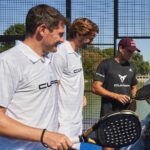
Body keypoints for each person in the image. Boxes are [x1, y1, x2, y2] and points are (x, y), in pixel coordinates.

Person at [0, 4, 72, 150]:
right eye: (60, 34)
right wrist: (44, 135)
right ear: (42, 30)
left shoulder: (48, 60)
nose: (62, 40)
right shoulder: (7, 61)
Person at [52, 17, 99, 149]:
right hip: (62, 121)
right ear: (78, 33)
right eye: (90, 37)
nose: (91, 41)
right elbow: (53, 87)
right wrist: (55, 120)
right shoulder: (60, 53)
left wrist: (81, 95)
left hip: (76, 118)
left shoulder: (77, 53)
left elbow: (72, 80)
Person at [92, 37, 141, 150]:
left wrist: (133, 98)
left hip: (126, 114)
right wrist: (116, 96)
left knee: (122, 145)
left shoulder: (132, 67)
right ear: (121, 48)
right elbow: (95, 88)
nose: (131, 53)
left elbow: (133, 86)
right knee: (108, 146)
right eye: (129, 50)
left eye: (133, 51)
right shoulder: (106, 64)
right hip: (109, 113)